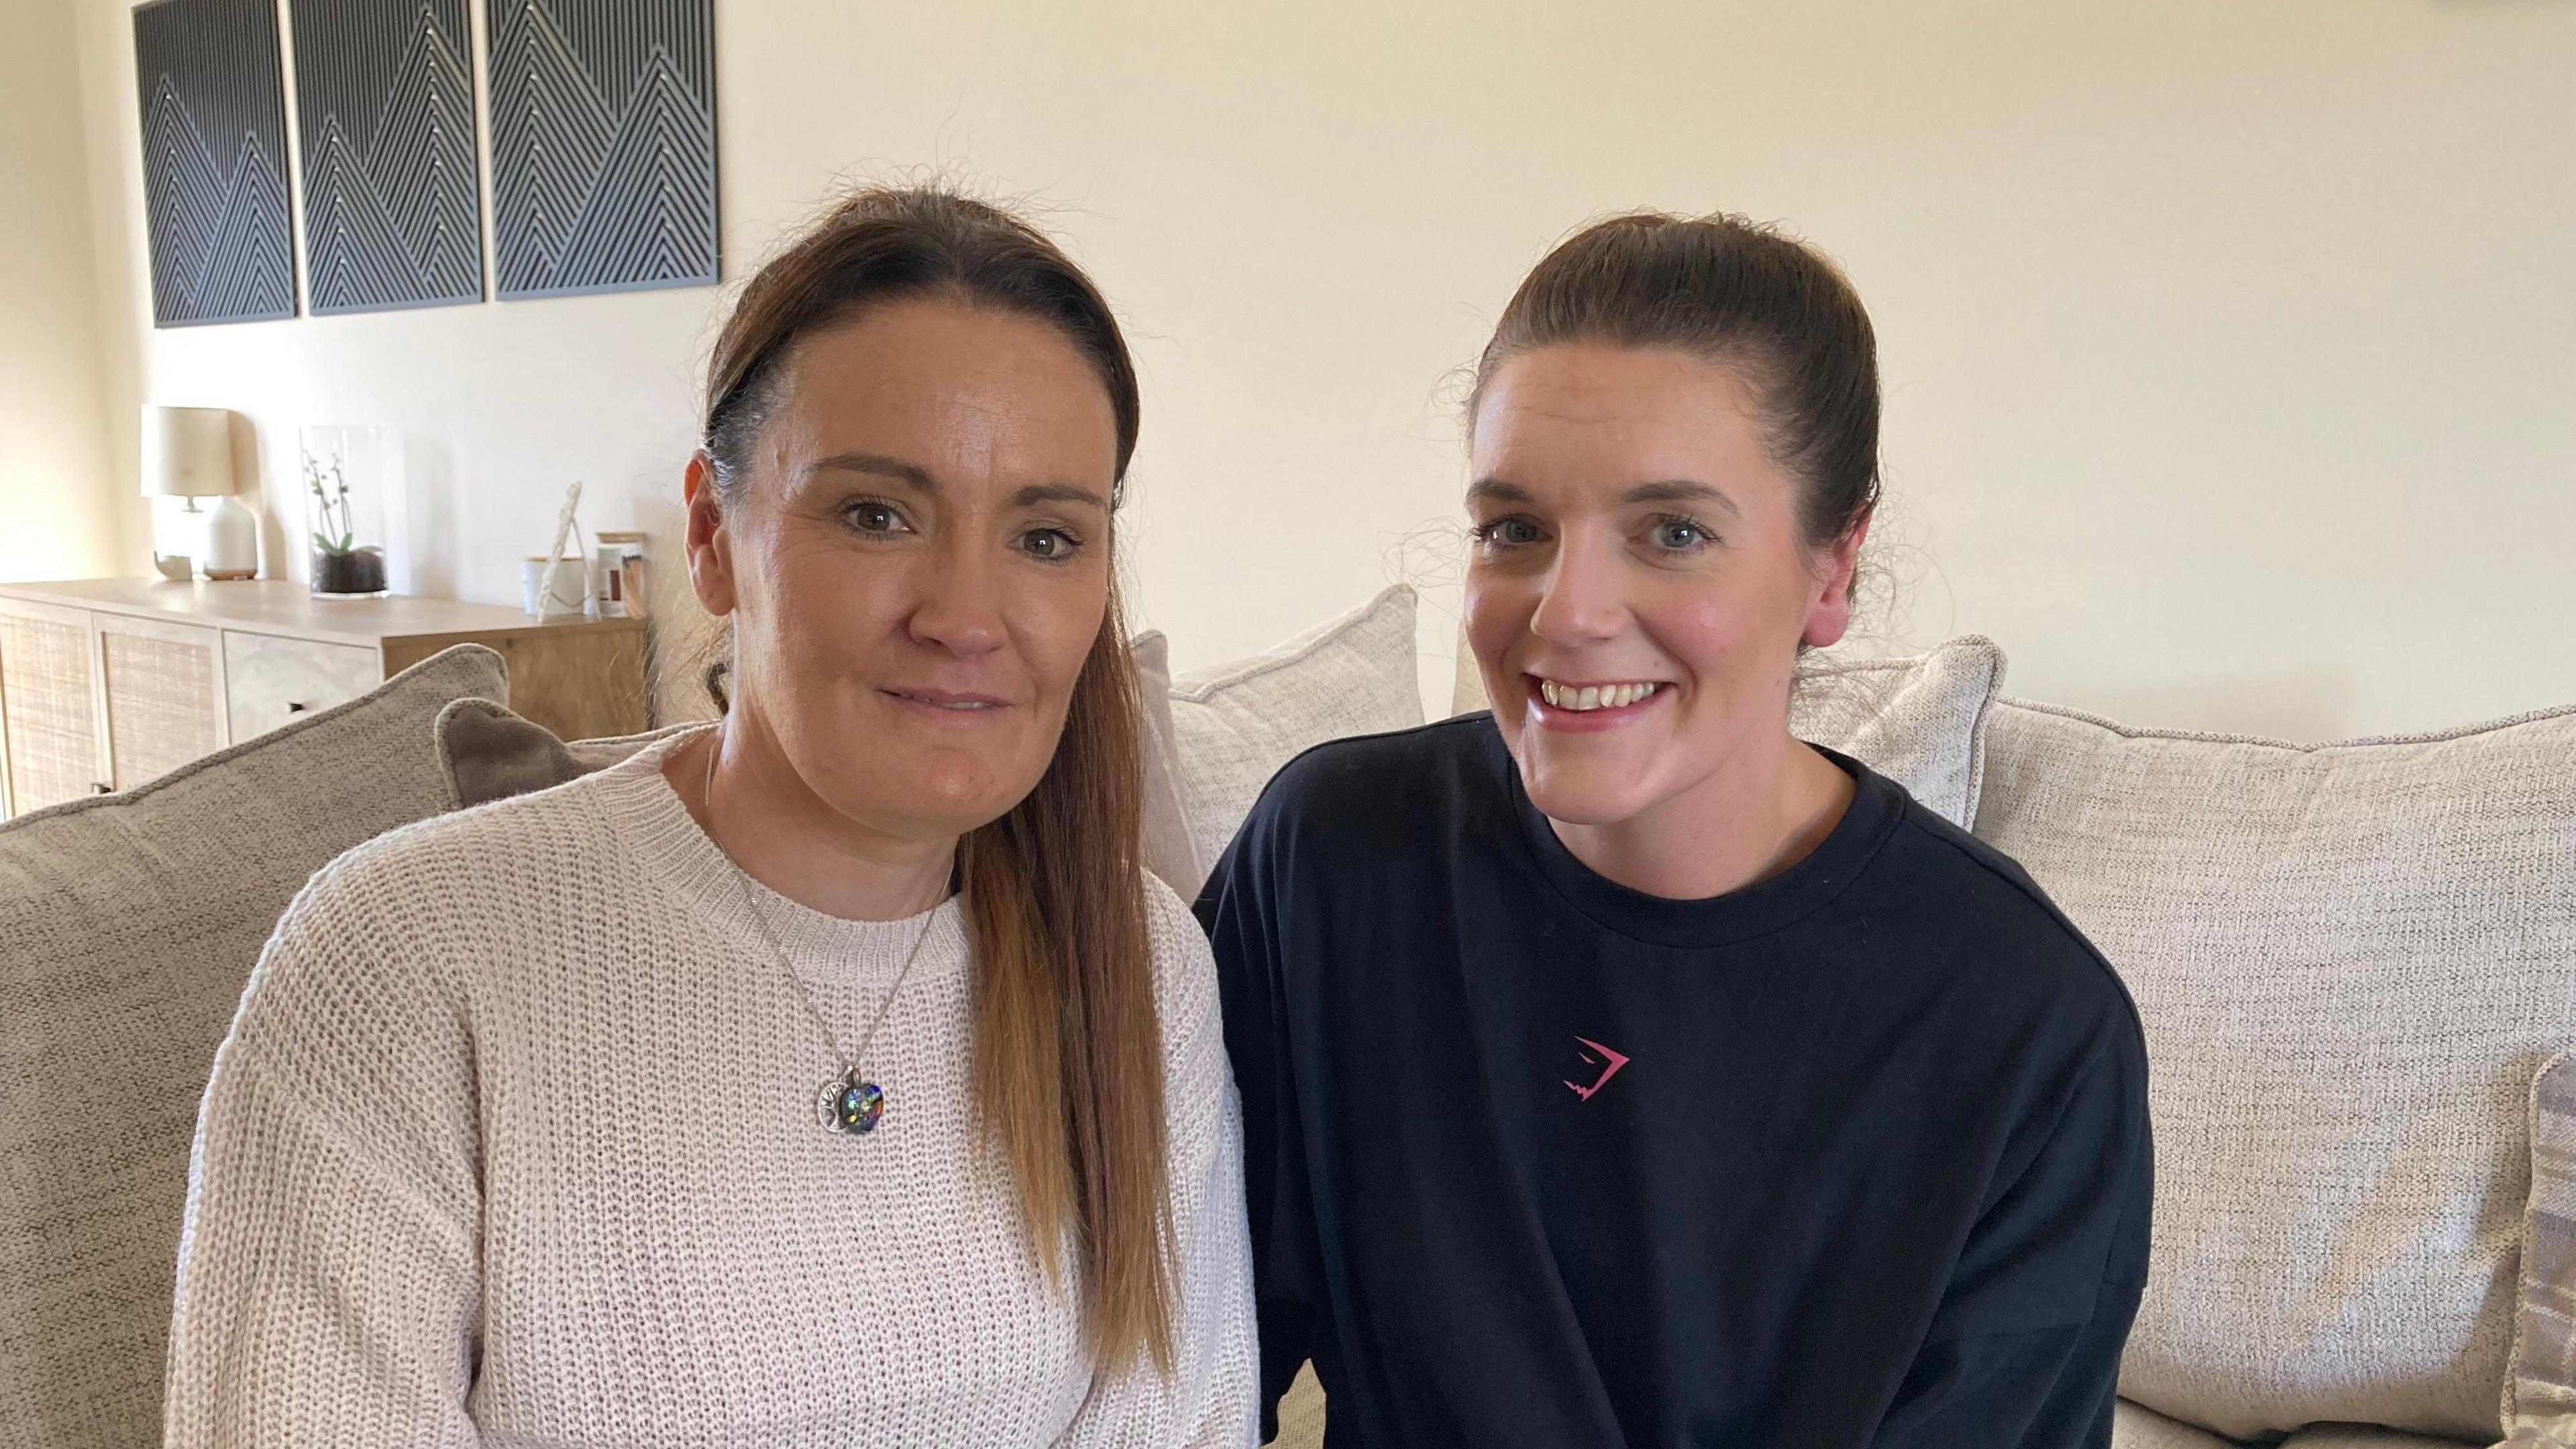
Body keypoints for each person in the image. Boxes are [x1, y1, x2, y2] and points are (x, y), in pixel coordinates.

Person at [165, 189, 1256, 1447]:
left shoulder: (1142, 966)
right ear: (712, 535)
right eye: (875, 515)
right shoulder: (403, 965)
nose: (967, 615)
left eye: (1048, 537)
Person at [1200, 212, 2151, 1448]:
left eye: (1675, 533)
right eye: (1515, 529)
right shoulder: (1334, 860)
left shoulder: (2025, 1025)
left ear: (1833, 566)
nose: (1567, 611)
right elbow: (1186, 1354)